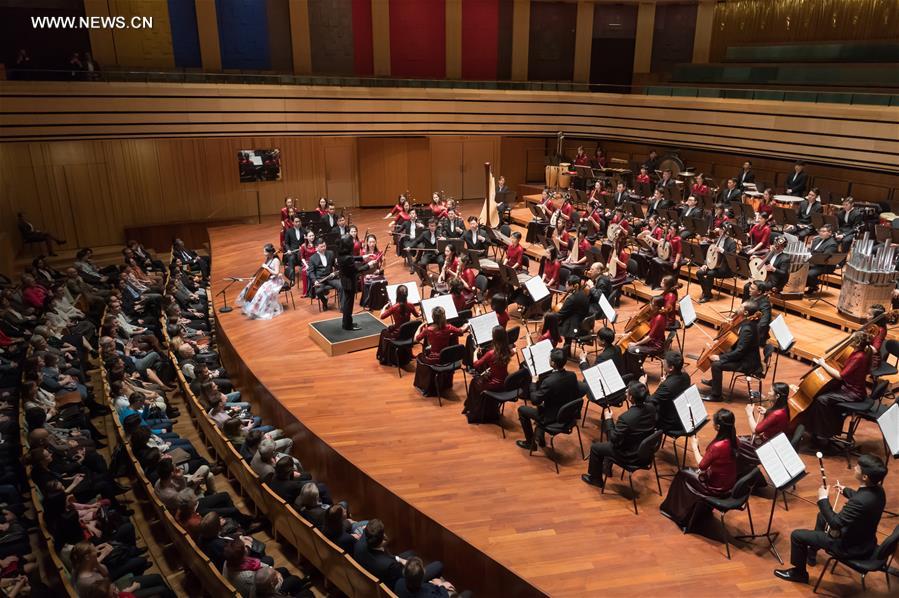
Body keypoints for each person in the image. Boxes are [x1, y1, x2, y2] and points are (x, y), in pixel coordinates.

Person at [774, 454, 887, 585]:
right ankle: (812, 553)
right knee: (822, 516)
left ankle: (799, 574)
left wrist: (823, 499)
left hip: (848, 547)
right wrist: (845, 490)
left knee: (797, 535)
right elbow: (862, 499)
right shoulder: (879, 490)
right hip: (865, 541)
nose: (855, 468)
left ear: (865, 477)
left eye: (858, 467)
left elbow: (835, 523)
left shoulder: (860, 501)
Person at [659, 409, 738, 531]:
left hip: (715, 487)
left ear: (717, 426)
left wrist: (694, 446)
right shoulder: (734, 440)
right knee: (687, 473)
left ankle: (677, 513)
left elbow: (702, 466)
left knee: (682, 474)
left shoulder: (718, 446)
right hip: (728, 483)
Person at [581, 381, 657, 488]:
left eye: (628, 391)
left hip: (629, 455)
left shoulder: (626, 418)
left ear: (631, 398)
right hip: (646, 453)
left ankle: (595, 479)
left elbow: (613, 439)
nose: (626, 391)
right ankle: (606, 467)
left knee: (595, 447)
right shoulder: (652, 408)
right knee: (618, 440)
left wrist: (609, 420)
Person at [803, 331, 871, 442]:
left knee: (822, 400)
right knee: (820, 394)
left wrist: (823, 364)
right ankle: (819, 430)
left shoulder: (859, 357)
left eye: (852, 339)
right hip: (847, 387)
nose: (849, 340)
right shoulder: (857, 353)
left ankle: (823, 435)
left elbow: (840, 376)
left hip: (853, 393)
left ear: (857, 343)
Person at [515, 349, 582, 450]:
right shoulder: (572, 375)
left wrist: (533, 383)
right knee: (543, 404)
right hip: (568, 414)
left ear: (553, 363)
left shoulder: (549, 382)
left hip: (552, 417)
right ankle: (539, 435)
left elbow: (534, 400)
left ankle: (530, 443)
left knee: (522, 410)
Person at [354, 519, 443, 591]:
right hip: (397, 583)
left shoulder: (360, 543)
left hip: (371, 572)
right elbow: (405, 577)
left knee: (411, 553)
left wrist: (398, 559)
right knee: (438, 565)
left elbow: (385, 556)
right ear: (382, 540)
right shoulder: (389, 565)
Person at [702, 301, 762, 402]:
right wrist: (721, 342)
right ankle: (715, 382)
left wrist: (720, 357)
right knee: (719, 352)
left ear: (746, 313)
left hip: (747, 363)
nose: (738, 307)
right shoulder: (745, 322)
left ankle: (716, 396)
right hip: (742, 357)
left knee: (717, 364)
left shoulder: (748, 329)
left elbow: (740, 352)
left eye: (741, 307)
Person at [737, 382, 791, 477]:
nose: (768, 393)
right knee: (737, 440)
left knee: (735, 444)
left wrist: (749, 413)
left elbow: (755, 430)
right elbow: (776, 419)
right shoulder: (784, 408)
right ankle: (745, 474)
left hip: (767, 448)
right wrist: (767, 412)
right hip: (772, 442)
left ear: (777, 396)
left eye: (771, 391)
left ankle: (745, 475)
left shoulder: (776, 414)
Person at [413, 306, 468, 396]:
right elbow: (460, 332)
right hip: (446, 359)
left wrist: (420, 326)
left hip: (434, 361)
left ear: (433, 317)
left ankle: (427, 386)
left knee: (420, 357)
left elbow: (416, 339)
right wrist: (465, 326)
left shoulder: (428, 330)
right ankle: (444, 383)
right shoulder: (449, 327)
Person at [463, 326, 513, 423]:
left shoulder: (491, 353)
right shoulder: (508, 350)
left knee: (474, 382)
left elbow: (476, 364)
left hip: (494, 384)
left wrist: (475, 353)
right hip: (505, 382)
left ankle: (475, 411)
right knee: (479, 379)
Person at [337, 235, 379, 331]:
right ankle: (347, 325)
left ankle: (347, 322)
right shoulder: (347, 258)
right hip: (349, 282)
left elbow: (351, 258)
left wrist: (362, 257)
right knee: (349, 304)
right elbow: (357, 270)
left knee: (348, 302)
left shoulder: (341, 253)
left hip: (344, 280)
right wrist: (369, 265)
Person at [235, 244, 284, 320]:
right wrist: (255, 277)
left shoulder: (276, 260)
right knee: (249, 285)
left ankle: (259, 310)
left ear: (270, 252)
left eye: (265, 251)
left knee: (261, 291)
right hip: (267, 278)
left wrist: (267, 267)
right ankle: (251, 308)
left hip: (275, 280)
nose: (263, 253)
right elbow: (263, 271)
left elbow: (276, 272)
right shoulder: (268, 258)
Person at [623, 296, 667, 380]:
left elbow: (650, 337)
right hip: (651, 343)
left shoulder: (659, 318)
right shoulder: (656, 314)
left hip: (655, 346)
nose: (650, 305)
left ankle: (637, 374)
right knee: (629, 346)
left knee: (631, 349)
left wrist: (636, 343)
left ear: (657, 307)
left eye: (652, 303)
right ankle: (628, 371)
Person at [376, 285, 421, 366]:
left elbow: (382, 316)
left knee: (383, 332)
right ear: (406, 295)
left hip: (397, 334)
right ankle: (408, 354)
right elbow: (418, 315)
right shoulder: (410, 305)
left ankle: (387, 358)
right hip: (408, 333)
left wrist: (384, 307)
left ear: (397, 295)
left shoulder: (394, 307)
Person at [649, 351, 692, 435]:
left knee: (645, 410)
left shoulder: (666, 386)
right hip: (682, 415)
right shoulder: (686, 376)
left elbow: (651, 400)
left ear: (671, 368)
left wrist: (644, 385)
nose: (663, 363)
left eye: (664, 362)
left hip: (670, 422)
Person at [697, 224, 737, 303]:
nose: (720, 231)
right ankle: (707, 292)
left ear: (726, 231)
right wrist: (705, 264)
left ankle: (707, 296)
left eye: (722, 230)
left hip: (725, 268)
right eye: (720, 230)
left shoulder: (732, 243)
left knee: (710, 273)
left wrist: (722, 251)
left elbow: (732, 258)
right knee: (699, 272)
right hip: (713, 265)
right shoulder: (716, 240)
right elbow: (710, 254)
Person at [805, 225, 839, 295]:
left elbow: (824, 257)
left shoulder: (832, 244)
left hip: (825, 265)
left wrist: (811, 257)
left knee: (810, 274)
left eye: (823, 231)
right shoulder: (816, 239)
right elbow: (811, 251)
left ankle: (815, 285)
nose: (821, 233)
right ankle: (806, 285)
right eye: (820, 231)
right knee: (799, 268)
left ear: (830, 233)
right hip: (814, 262)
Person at [307, 238, 341, 310]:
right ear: (316, 247)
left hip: (330, 277)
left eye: (324, 246)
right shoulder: (312, 258)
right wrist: (315, 281)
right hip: (320, 279)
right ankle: (324, 301)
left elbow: (335, 266)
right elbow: (311, 272)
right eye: (321, 247)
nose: (324, 248)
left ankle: (342, 306)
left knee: (341, 286)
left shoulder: (330, 253)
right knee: (318, 291)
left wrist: (337, 265)